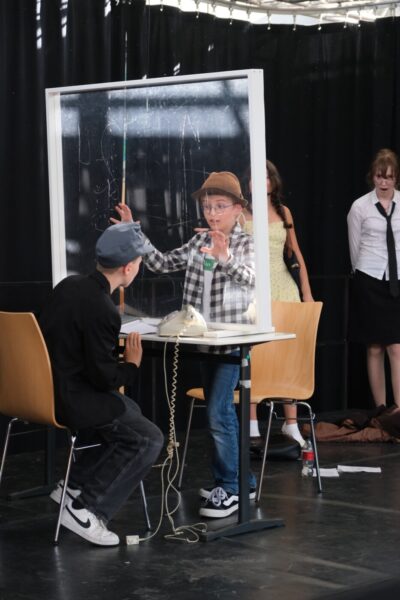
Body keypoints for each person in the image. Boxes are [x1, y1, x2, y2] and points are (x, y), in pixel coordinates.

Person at [113, 171, 257, 518]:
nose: (212, 213)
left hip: (231, 342)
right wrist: (133, 232)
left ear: (238, 209)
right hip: (202, 340)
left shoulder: (246, 245)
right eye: (207, 206)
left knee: (219, 412)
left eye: (220, 206)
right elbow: (161, 263)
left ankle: (232, 488)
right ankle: (243, 482)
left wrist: (225, 257)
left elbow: (252, 281)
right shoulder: (198, 241)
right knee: (219, 411)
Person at [39, 222, 164, 546]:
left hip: (44, 391)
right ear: (128, 268)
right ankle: (87, 508)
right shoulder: (103, 309)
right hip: (72, 399)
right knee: (149, 438)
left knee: (128, 411)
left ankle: (74, 485)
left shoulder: (67, 286)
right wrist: (131, 364)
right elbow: (104, 379)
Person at [243, 160, 314, 447]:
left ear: (272, 182)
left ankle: (291, 422)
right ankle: (251, 422)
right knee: (254, 355)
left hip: (284, 287)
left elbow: (295, 252)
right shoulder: (241, 213)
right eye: (253, 177)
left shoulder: (284, 212)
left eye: (263, 177)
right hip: (253, 289)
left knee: (287, 355)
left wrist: (307, 292)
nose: (258, 182)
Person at [347, 148, 400, 409]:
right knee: (375, 347)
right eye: (380, 176)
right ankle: (381, 410)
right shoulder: (360, 207)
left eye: (388, 177)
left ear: (395, 178)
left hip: (397, 280)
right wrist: (362, 273)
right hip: (369, 279)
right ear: (373, 177)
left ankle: (398, 411)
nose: (384, 182)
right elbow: (354, 246)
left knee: (396, 347)